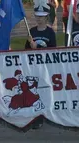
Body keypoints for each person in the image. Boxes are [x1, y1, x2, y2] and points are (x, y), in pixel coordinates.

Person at [25, 0, 56, 129]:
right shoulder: (31, 31)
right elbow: (25, 51)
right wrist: (31, 47)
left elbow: (53, 50)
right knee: (34, 92)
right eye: (37, 16)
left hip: (46, 68)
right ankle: (37, 117)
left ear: (46, 17)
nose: (39, 18)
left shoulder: (50, 33)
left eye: (41, 16)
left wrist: (38, 47)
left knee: (46, 92)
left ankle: (48, 114)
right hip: (34, 68)